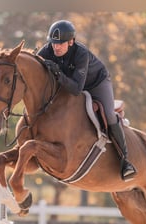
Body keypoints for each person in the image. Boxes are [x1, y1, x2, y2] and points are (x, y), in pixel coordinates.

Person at [37, 20, 137, 181]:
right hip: (69, 83)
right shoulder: (48, 50)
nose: (56, 47)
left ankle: (125, 161)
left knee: (110, 116)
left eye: (61, 44)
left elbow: (77, 89)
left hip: (96, 83)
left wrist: (57, 73)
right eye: (53, 43)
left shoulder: (81, 54)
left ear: (71, 42)